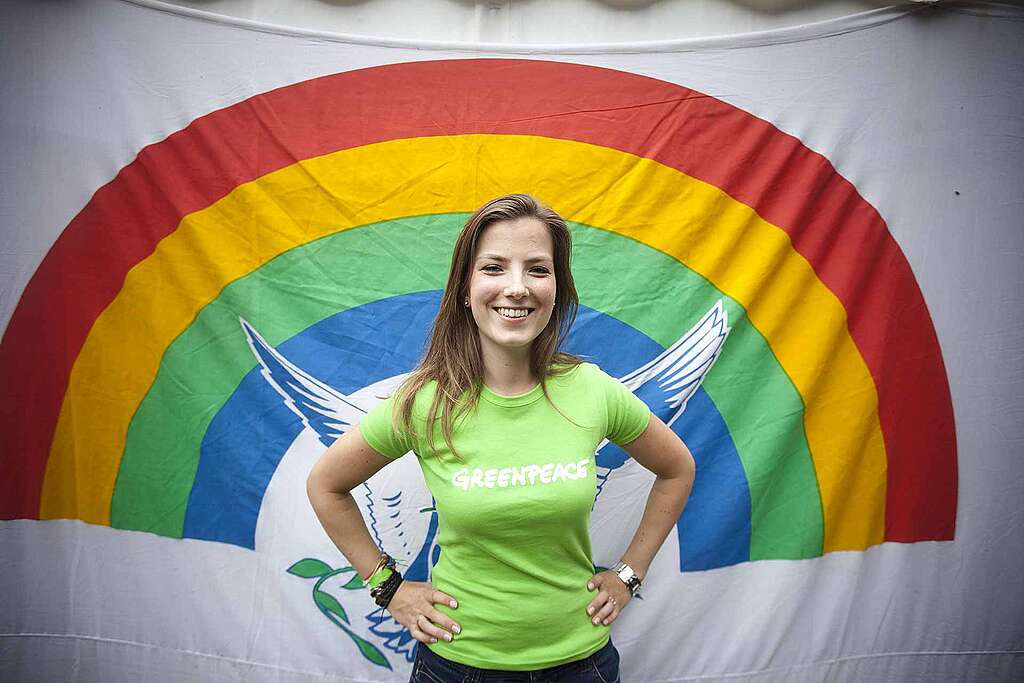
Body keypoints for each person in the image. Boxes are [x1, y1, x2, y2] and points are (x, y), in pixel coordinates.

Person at [307, 193, 696, 682]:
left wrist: (629, 574)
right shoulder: (425, 402)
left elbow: (677, 469)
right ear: (465, 290)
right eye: (494, 268)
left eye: (537, 269)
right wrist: (388, 587)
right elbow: (326, 486)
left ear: (557, 288)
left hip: (581, 666)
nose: (517, 288)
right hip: (457, 666)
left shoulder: (593, 392)